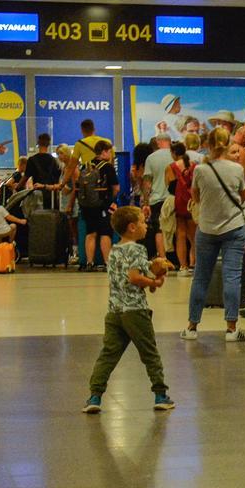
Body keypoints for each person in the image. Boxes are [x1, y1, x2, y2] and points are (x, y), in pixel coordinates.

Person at [82, 206, 176, 414]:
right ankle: (160, 394)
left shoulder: (114, 251)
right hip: (135, 311)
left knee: (108, 354)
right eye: (142, 222)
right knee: (150, 353)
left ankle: (94, 396)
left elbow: (135, 273)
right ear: (132, 227)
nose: (145, 226)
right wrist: (155, 282)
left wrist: (151, 277)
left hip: (114, 310)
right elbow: (134, 277)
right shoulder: (137, 249)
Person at [181, 127, 245, 342]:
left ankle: (192, 327)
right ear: (227, 143)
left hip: (207, 228)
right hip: (234, 227)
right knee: (232, 276)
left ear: (209, 145)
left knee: (201, 277)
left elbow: (196, 196)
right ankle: (231, 329)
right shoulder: (236, 169)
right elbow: (243, 195)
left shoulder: (201, 171)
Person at [76, 140, 119, 270]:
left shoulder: (86, 166)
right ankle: (107, 262)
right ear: (104, 152)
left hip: (87, 206)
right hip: (103, 205)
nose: (111, 154)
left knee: (91, 233)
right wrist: (112, 199)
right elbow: (116, 188)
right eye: (109, 151)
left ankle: (89, 262)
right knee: (105, 233)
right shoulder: (107, 167)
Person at [165, 142, 196, 276]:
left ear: (173, 153)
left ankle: (183, 266)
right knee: (194, 237)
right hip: (192, 202)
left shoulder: (171, 167)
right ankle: (194, 263)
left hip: (179, 203)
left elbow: (170, 187)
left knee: (180, 235)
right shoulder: (194, 165)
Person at [144, 132, 174, 258]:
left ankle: (163, 258)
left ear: (157, 142)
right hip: (173, 198)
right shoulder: (176, 156)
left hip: (157, 199)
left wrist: (146, 202)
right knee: (175, 229)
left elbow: (147, 183)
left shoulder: (151, 158)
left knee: (159, 230)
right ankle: (178, 259)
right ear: (170, 142)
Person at [25, 133, 62, 207]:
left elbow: (26, 177)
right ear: (48, 144)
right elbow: (58, 178)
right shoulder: (54, 160)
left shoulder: (32, 160)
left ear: (38, 143)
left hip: (37, 194)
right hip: (52, 195)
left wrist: (18, 187)